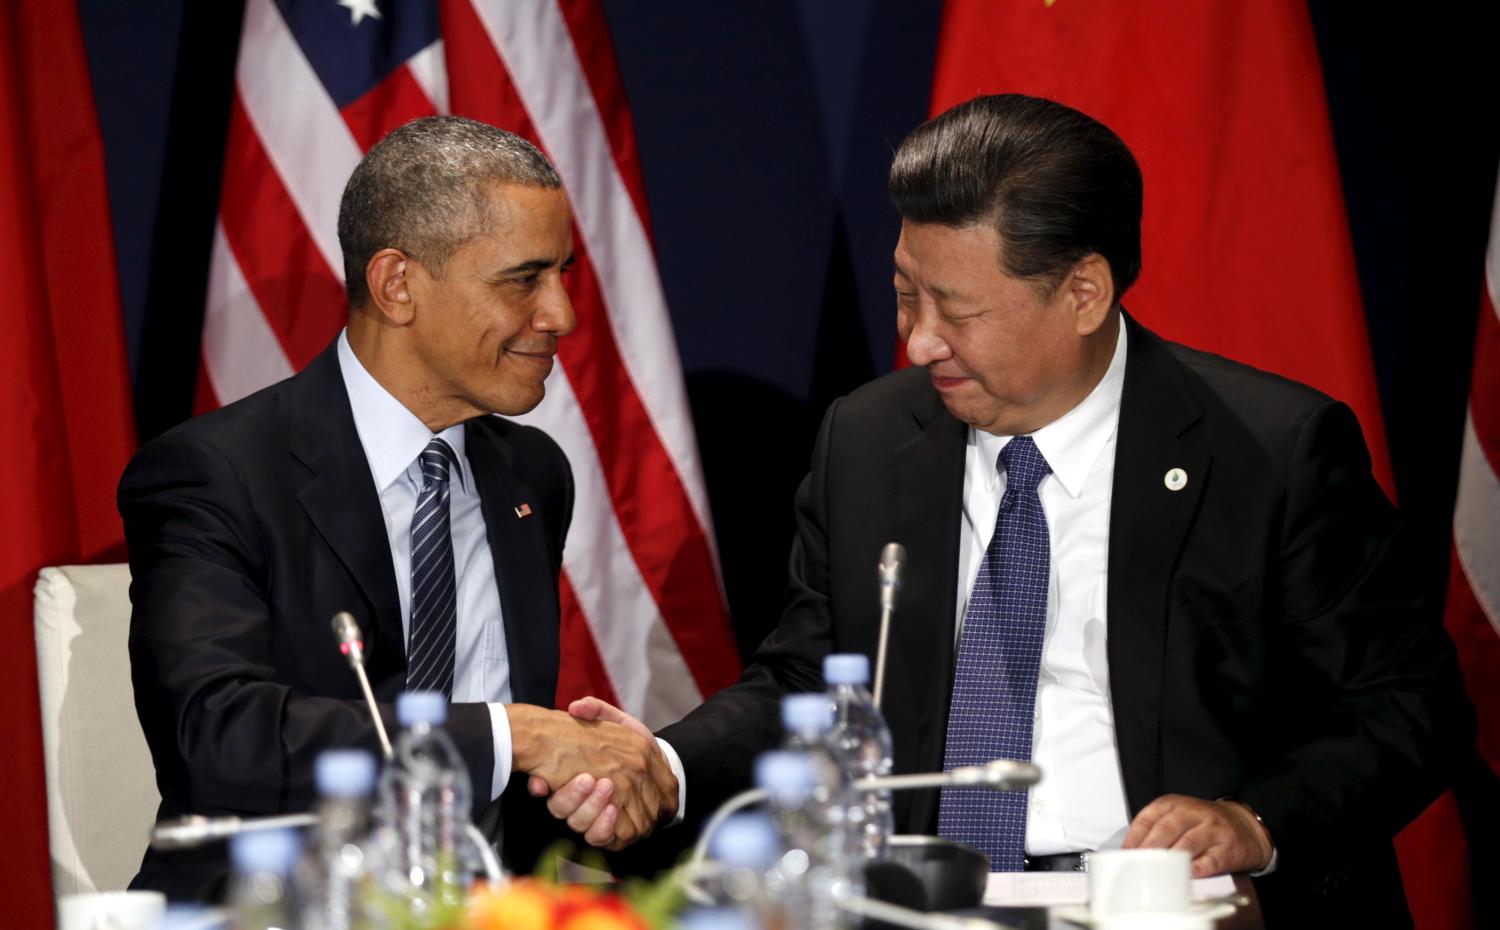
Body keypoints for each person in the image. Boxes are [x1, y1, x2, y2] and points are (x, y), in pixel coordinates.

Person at [559, 95, 1473, 925]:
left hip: (1164, 910)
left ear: (1083, 291)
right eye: (906, 294)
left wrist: (1252, 820)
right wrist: (666, 764)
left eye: (956, 310)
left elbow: (1409, 709)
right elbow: (809, 679)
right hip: (922, 903)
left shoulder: (1270, 450)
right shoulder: (870, 440)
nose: (918, 341)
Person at [121, 116, 676, 900]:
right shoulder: (219, 473)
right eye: (524, 278)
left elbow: (502, 795)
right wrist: (512, 735)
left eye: (563, 274)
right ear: (397, 285)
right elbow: (219, 737)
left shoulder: (532, 475)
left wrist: (594, 786)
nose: (562, 314)